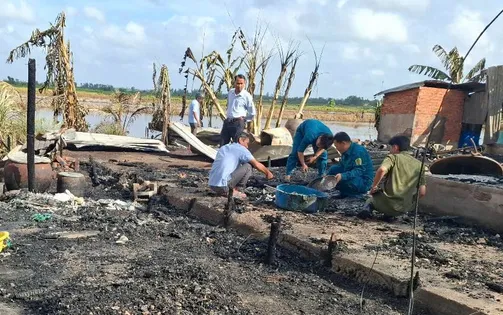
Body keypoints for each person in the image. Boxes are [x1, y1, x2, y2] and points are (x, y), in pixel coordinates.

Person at [362, 135, 427, 218]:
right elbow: (422, 192)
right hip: (404, 208)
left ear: (395, 147)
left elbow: (382, 170)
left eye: (390, 148)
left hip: (387, 204)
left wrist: (374, 186)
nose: (389, 151)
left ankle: (366, 211)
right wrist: (410, 201)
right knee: (393, 207)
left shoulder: (393, 157)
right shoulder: (420, 165)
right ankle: (389, 216)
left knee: (370, 200)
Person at [209, 132, 273, 199]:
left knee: (239, 165)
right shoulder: (241, 149)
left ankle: (227, 190)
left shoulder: (224, 148)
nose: (247, 147)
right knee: (248, 166)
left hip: (212, 184)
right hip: (223, 186)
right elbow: (256, 164)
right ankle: (238, 190)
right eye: (247, 143)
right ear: (240, 140)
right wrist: (268, 173)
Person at [327, 132, 374, 197]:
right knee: (333, 169)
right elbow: (342, 165)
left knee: (345, 180)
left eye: (336, 146)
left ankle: (352, 193)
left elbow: (359, 171)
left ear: (343, 143)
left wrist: (343, 176)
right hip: (351, 173)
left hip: (363, 180)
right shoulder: (345, 151)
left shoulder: (358, 152)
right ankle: (341, 191)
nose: (336, 148)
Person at [220, 74, 256, 146]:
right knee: (223, 144)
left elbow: (252, 113)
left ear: (244, 84)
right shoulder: (231, 92)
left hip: (238, 123)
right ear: (234, 83)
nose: (239, 85)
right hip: (228, 122)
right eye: (237, 83)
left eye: (241, 83)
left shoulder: (247, 96)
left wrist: (244, 119)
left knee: (237, 145)